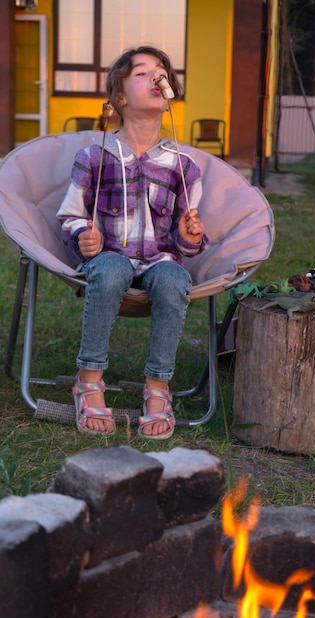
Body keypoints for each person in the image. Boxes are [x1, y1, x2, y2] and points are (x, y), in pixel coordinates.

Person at [57, 45, 208, 439]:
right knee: (111, 268)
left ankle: (157, 387)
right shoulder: (95, 156)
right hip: (109, 256)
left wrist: (190, 238)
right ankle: (89, 379)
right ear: (120, 98)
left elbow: (183, 238)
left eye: (162, 72)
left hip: (159, 259)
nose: (157, 77)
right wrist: (82, 238)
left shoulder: (182, 166)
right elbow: (71, 214)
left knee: (174, 278)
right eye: (143, 73)